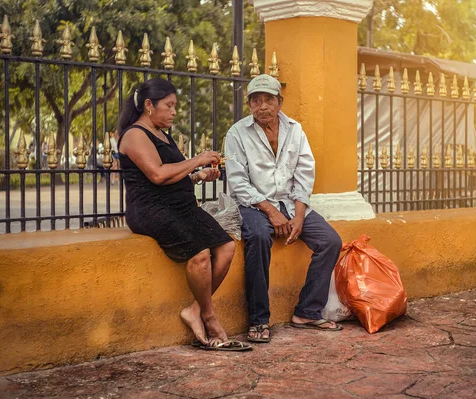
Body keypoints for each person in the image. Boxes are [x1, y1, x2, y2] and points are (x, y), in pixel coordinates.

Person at [116, 78, 250, 352]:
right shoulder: (134, 135)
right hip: (151, 210)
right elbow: (157, 174)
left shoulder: (163, 134)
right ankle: (209, 317)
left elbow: (174, 176)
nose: (174, 111)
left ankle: (194, 309)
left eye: (175, 105)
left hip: (181, 207)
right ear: (149, 105)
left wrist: (198, 176)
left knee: (225, 246)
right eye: (169, 105)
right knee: (199, 253)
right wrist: (198, 159)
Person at [225, 74, 343, 344]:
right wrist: (270, 211)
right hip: (254, 203)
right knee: (257, 236)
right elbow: (238, 182)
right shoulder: (237, 133)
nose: (262, 106)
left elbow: (304, 173)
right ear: (249, 104)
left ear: (280, 102)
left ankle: (307, 312)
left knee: (330, 241)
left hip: (291, 203)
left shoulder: (295, 130)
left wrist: (299, 215)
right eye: (256, 100)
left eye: (268, 100)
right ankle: (259, 318)